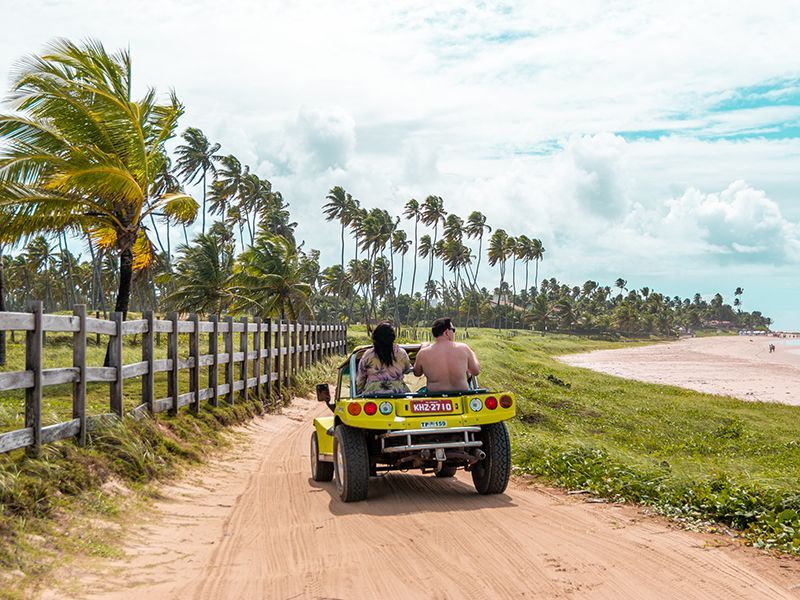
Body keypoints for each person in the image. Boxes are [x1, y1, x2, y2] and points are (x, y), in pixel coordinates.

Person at [413, 317, 480, 392]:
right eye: (453, 330)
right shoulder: (463, 348)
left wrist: (423, 349)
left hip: (434, 396)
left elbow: (417, 373)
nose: (454, 333)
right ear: (446, 332)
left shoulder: (423, 353)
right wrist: (473, 354)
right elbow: (476, 371)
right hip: (461, 393)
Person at [356, 322, 412, 395]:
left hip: (372, 392)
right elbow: (407, 370)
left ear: (375, 337)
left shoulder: (368, 354)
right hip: (397, 391)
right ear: (393, 337)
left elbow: (361, 376)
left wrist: (359, 392)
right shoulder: (401, 353)